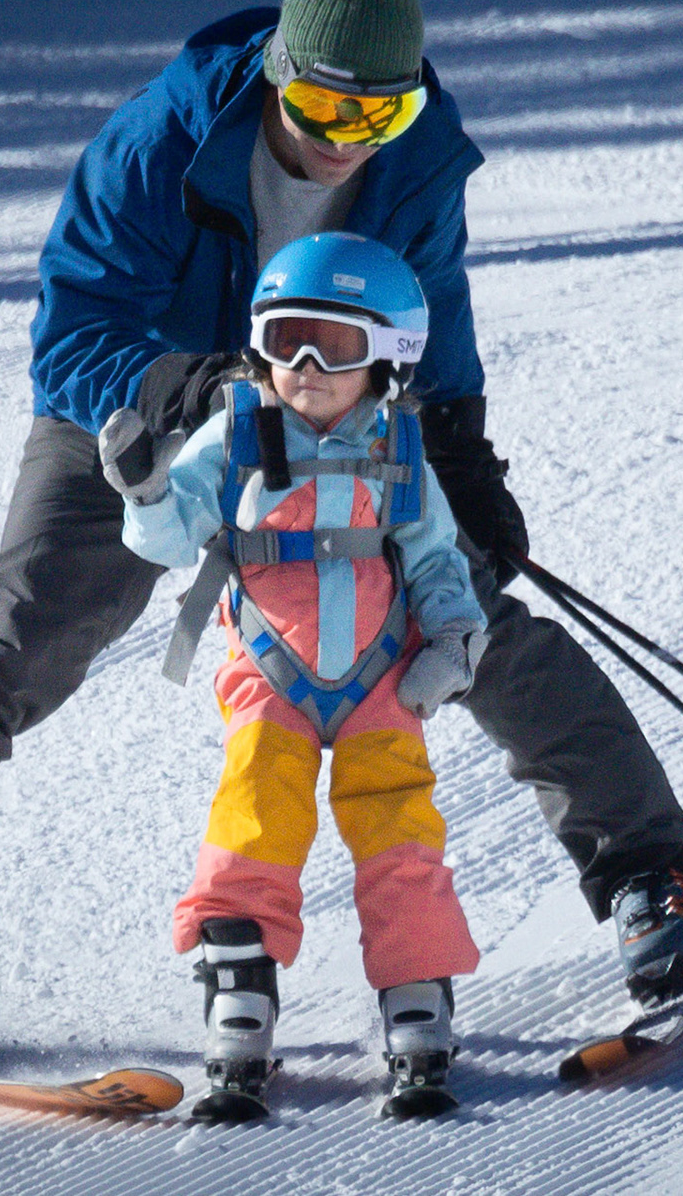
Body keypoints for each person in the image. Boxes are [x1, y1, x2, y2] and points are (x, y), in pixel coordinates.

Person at [0, 0, 683, 1062]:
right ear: (275, 71)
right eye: (320, 102)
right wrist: (185, 394)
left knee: (473, 616)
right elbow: (73, 331)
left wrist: (461, 447)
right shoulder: (166, 137)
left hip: (340, 408)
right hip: (140, 404)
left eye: (376, 111)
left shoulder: (420, 156)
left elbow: (432, 309)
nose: (345, 134)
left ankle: (651, 877)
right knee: (40, 622)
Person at [108, 232, 481, 1117]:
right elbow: (164, 541)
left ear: (387, 357)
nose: (307, 367)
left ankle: (416, 991)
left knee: (397, 819)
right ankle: (240, 981)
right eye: (286, 341)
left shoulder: (399, 448)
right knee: (255, 808)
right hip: (272, 671)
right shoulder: (234, 433)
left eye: (337, 346)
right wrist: (145, 492)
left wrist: (456, 636)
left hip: (380, 675)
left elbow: (433, 558)